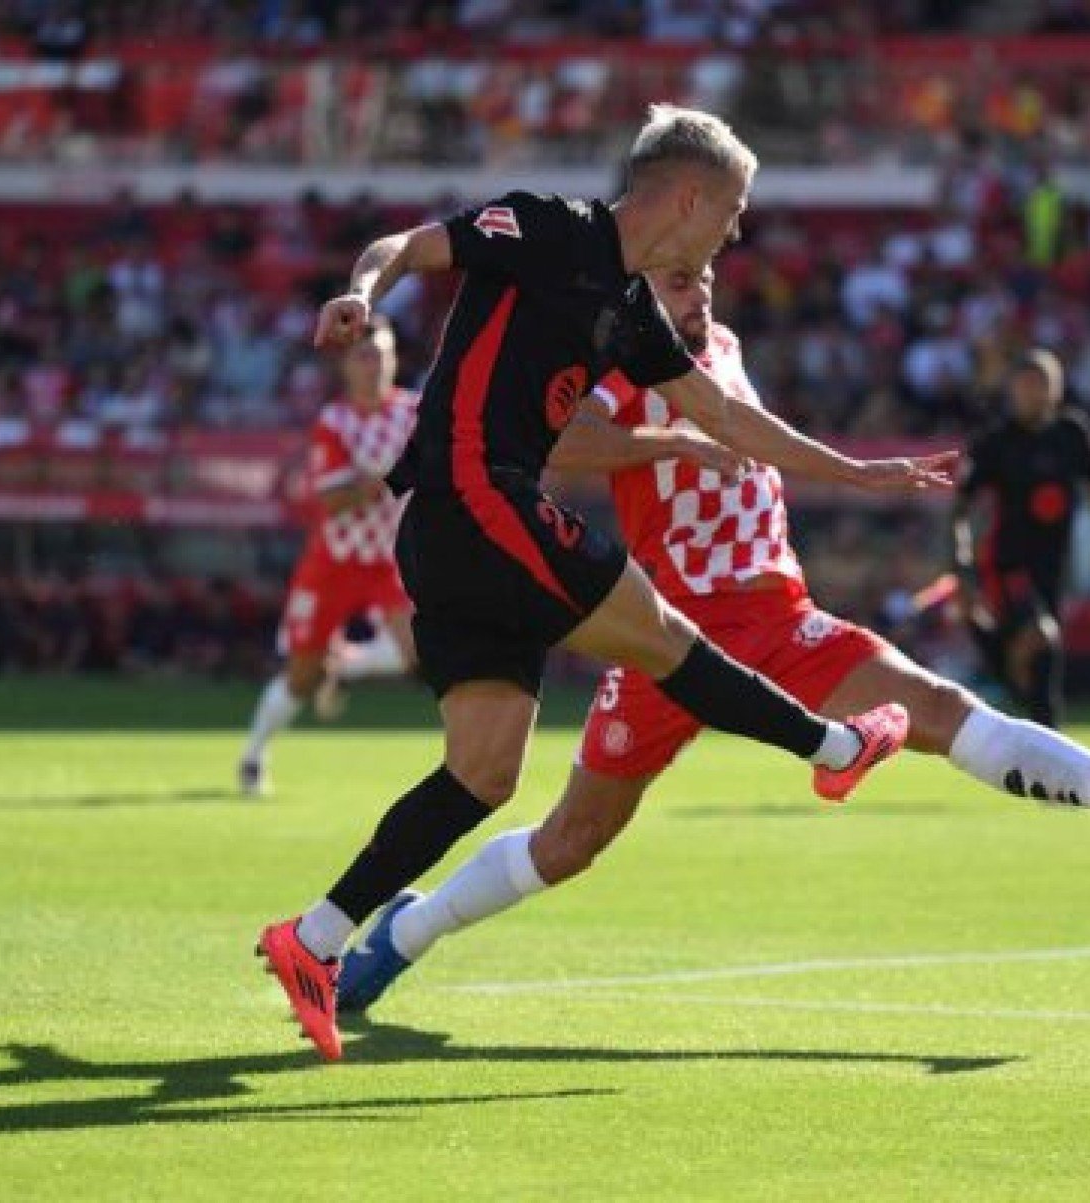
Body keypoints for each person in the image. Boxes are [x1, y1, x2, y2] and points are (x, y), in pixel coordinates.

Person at [332, 264, 1090, 1014]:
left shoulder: (722, 348)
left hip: (778, 614)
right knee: (572, 838)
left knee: (936, 706)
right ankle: (409, 929)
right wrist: (668, 444)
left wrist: (855, 472)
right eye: (679, 278)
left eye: (705, 275)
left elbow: (762, 437)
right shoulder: (623, 359)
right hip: (666, 634)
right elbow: (557, 438)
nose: (700, 289)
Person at [256, 105, 952, 1062]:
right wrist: (361, 292)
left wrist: (858, 472)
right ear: (690, 197)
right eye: (733, 212)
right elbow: (406, 246)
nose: (734, 234)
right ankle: (835, 746)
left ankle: (314, 937)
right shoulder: (549, 227)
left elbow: (726, 417)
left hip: (458, 537)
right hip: (475, 497)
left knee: (484, 772)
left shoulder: (632, 312)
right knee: (662, 635)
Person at [238, 317, 419, 797]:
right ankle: (253, 754)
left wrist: (380, 478)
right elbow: (334, 499)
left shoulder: (415, 413)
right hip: (333, 561)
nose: (374, 365)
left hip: (388, 560)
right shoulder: (334, 421)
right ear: (346, 366)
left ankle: (342, 666)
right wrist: (391, 475)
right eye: (364, 356)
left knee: (418, 651)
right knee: (300, 676)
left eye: (381, 354)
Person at [951, 349, 1090, 729]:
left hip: (1053, 566)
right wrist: (961, 568)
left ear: (1056, 388)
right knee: (1042, 635)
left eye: (1041, 383)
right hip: (1006, 562)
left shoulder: (1071, 435)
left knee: (1045, 668)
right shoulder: (995, 442)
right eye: (1025, 384)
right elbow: (960, 510)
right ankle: (1005, 670)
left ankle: (1042, 734)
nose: (1033, 392)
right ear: (1011, 389)